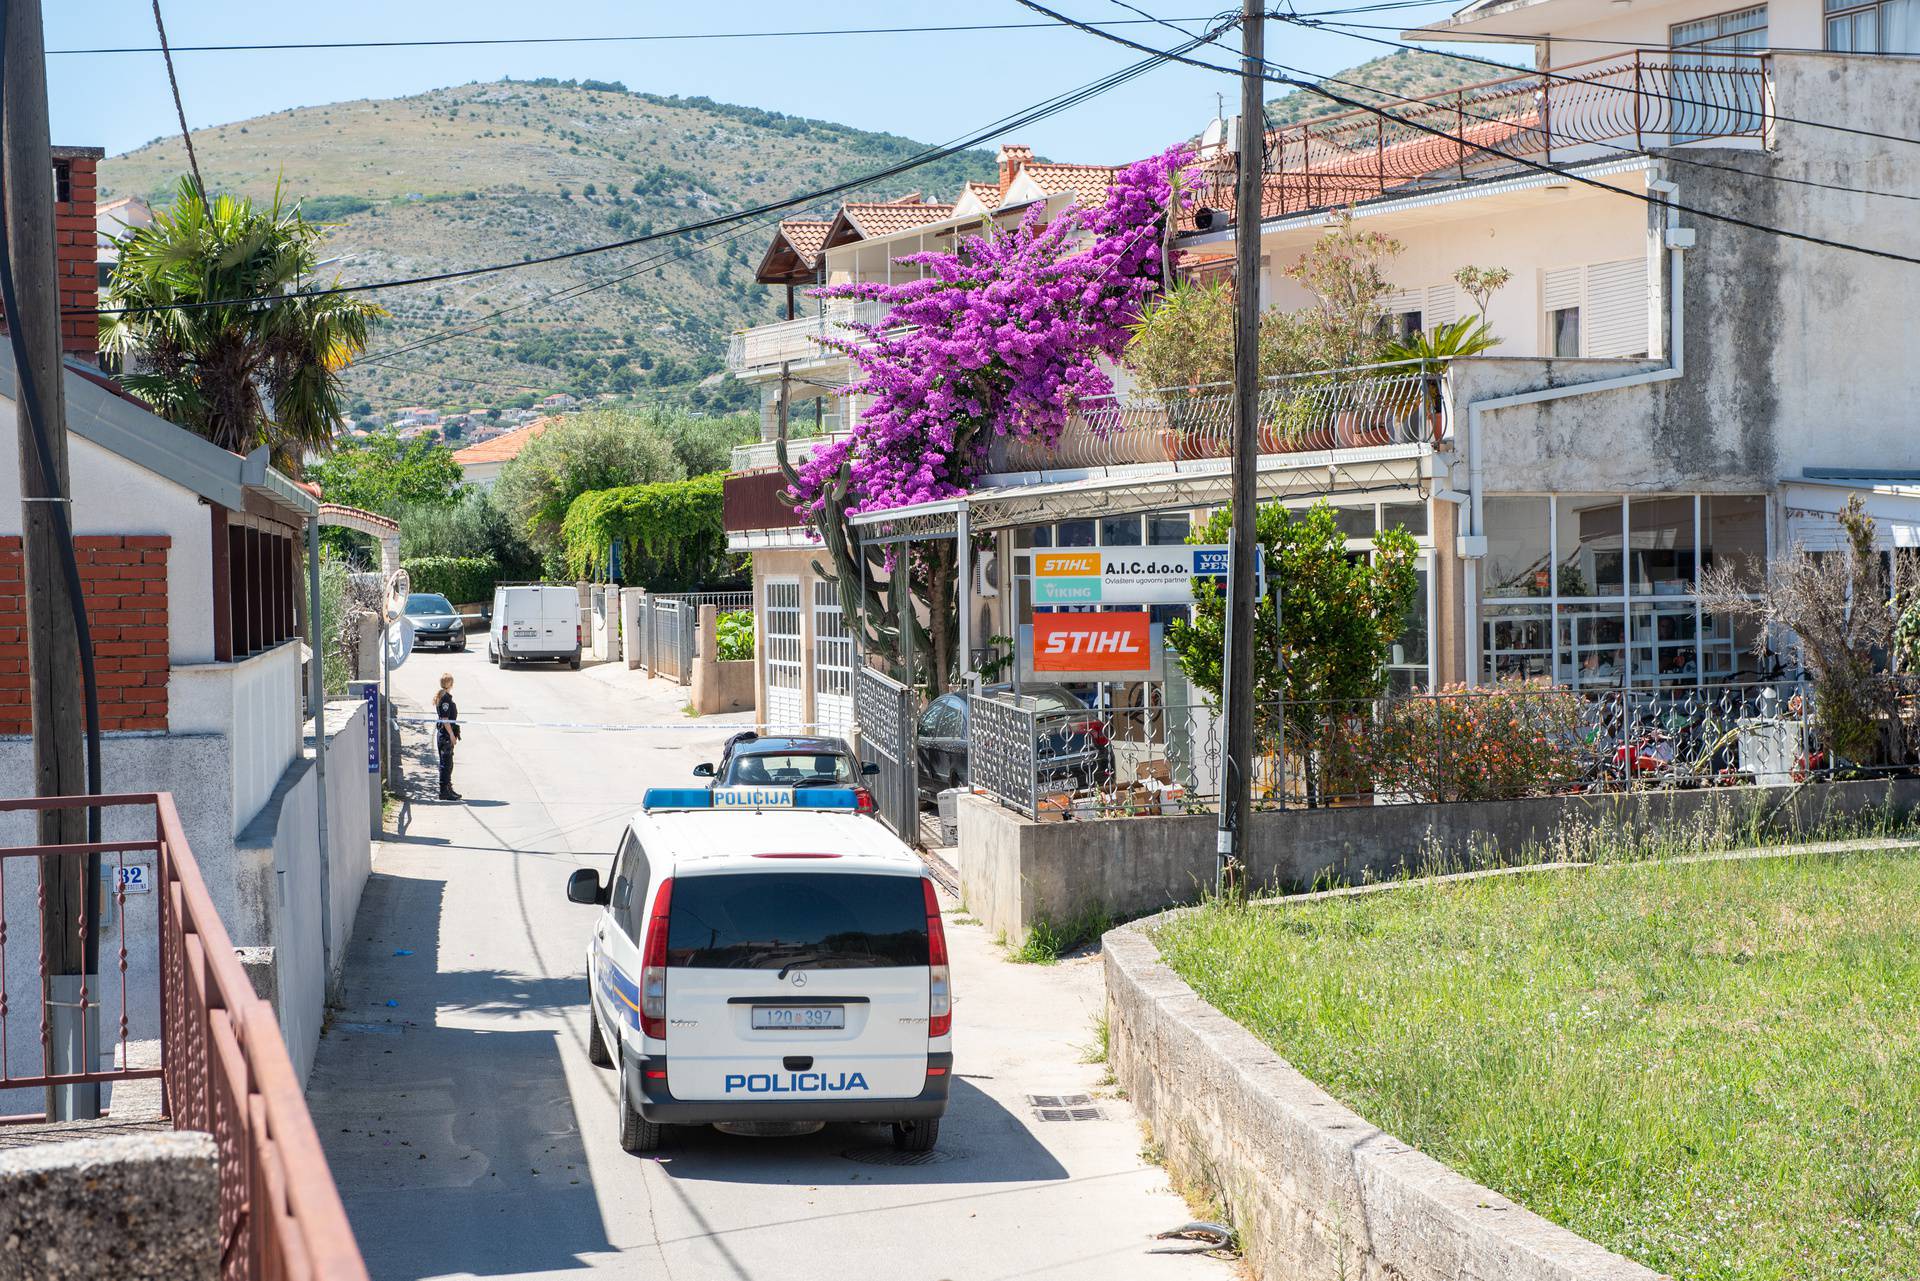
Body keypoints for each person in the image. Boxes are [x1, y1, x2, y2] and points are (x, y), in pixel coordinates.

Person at [435, 673, 462, 801]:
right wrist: (451, 735)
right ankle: (444, 791)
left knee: (448, 763)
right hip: (445, 735)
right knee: (446, 764)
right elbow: (445, 719)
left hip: (445, 734)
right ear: (450, 684)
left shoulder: (444, 696)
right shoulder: (445, 699)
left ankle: (448, 788)